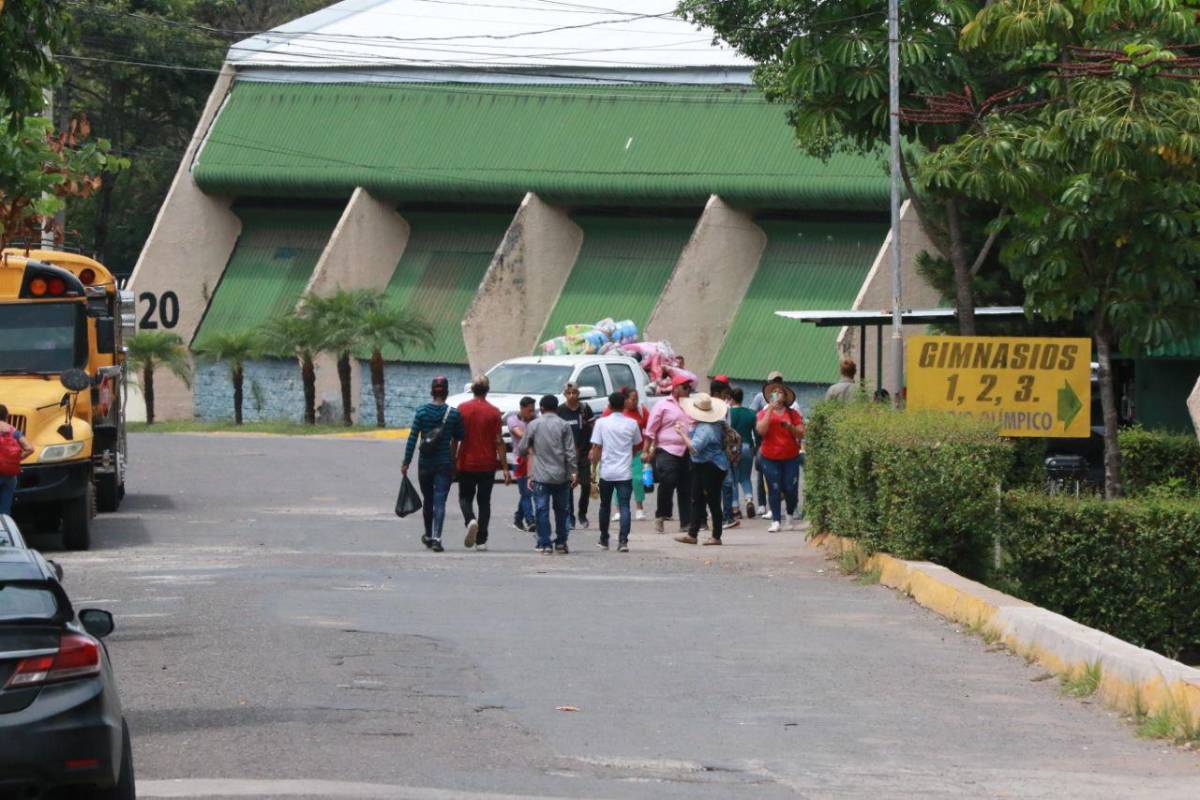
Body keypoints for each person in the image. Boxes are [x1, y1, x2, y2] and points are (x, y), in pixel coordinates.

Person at [402, 377, 464, 552]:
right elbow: (460, 437)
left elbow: (413, 438)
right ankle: (437, 538)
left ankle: (428, 535)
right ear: (446, 392)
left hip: (425, 463)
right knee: (440, 501)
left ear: (432, 391)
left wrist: (406, 462)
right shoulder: (453, 414)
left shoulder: (421, 412)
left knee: (428, 500)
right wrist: (455, 459)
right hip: (444, 463)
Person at [456, 375, 511, 551]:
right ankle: (481, 540)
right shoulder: (494, 412)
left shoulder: (462, 409)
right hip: (487, 463)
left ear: (472, 389)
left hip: (466, 462)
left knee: (465, 497)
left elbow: (455, 438)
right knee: (484, 502)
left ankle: (470, 520)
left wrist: (452, 460)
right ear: (488, 390)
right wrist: (504, 467)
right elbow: (499, 441)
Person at [518, 394, 577, 555]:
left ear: (541, 408)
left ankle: (544, 543)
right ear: (557, 408)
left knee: (542, 510)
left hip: (541, 476)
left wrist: (531, 450)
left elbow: (522, 448)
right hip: (561, 476)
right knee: (562, 510)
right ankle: (561, 542)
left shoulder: (534, 425)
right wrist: (573, 472)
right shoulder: (564, 425)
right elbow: (570, 452)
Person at [673, 393, 729, 546]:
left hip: (711, 467)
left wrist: (681, 434)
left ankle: (716, 536)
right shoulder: (713, 424)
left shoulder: (705, 428)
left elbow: (694, 448)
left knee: (712, 501)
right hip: (705, 465)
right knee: (697, 499)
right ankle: (693, 533)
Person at [590, 391, 642, 552]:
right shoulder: (632, 424)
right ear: (624, 405)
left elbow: (596, 448)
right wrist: (628, 456)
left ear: (609, 405)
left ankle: (604, 539)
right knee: (625, 506)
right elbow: (638, 444)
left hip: (607, 472)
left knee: (605, 506)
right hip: (624, 472)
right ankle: (623, 542)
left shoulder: (601, 423)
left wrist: (594, 469)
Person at [643, 373, 694, 533]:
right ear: (677, 389)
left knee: (686, 486)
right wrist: (646, 450)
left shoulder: (691, 405)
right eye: (685, 387)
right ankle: (662, 514)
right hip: (666, 449)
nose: (688, 390)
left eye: (689, 387)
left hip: (686, 449)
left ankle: (686, 522)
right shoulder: (663, 404)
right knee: (668, 479)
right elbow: (651, 430)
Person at [756, 381, 805, 533]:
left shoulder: (793, 414)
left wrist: (789, 426)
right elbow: (761, 431)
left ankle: (789, 515)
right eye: (774, 392)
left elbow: (801, 432)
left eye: (780, 392)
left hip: (790, 456)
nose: (777, 395)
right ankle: (776, 520)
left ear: (785, 397)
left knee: (790, 488)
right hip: (769, 456)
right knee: (774, 487)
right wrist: (770, 410)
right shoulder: (764, 412)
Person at [602, 388, 650, 521]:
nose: (635, 402)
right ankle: (618, 510)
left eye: (637, 400)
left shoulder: (641, 411)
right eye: (633, 399)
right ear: (625, 400)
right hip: (617, 453)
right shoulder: (611, 411)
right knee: (618, 480)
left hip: (636, 451)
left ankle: (639, 508)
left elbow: (649, 431)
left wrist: (647, 450)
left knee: (638, 480)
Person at [558, 382, 595, 530]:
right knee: (569, 487)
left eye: (575, 393)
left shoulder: (585, 409)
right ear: (565, 394)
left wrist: (594, 447)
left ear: (578, 394)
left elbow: (593, 428)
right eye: (569, 393)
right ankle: (570, 517)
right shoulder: (560, 411)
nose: (572, 396)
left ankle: (582, 513)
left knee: (585, 484)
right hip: (567, 455)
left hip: (584, 453)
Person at [750, 370, 786, 518]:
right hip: (763, 438)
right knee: (762, 472)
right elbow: (753, 414)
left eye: (778, 380)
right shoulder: (760, 397)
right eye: (774, 380)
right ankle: (762, 504)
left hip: (780, 440)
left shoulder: (786, 397)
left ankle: (776, 505)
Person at [506, 397, 537, 532]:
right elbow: (520, 435)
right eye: (529, 410)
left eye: (533, 410)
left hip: (533, 459)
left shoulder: (535, 419)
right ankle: (530, 520)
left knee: (527, 492)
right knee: (526, 492)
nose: (532, 413)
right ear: (522, 408)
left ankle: (518, 518)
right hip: (519, 460)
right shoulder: (513, 420)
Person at [728, 388, 758, 520]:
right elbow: (756, 433)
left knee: (733, 479)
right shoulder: (751, 414)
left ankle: (735, 508)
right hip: (747, 447)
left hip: (732, 448)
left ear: (731, 398)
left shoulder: (728, 413)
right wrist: (756, 448)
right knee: (745, 477)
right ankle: (749, 499)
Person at [0, 405, 34, 517]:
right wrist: (17, 459)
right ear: (6, 417)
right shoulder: (13, 431)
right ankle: (3, 532)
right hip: (10, 475)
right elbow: (30, 449)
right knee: (5, 510)